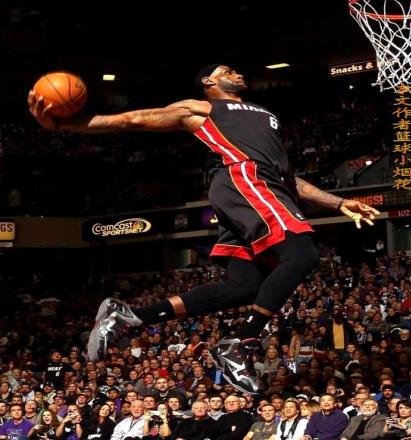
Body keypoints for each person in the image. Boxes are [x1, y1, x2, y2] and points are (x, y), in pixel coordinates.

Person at [28, 64, 380, 394]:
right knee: (302, 254)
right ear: (209, 82)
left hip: (262, 184)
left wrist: (337, 203)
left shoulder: (265, 116)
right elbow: (131, 119)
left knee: (245, 286)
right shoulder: (203, 108)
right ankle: (240, 344)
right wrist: (63, 126)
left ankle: (130, 316)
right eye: (226, 70)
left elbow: (287, 178)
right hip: (245, 180)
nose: (236, 72)